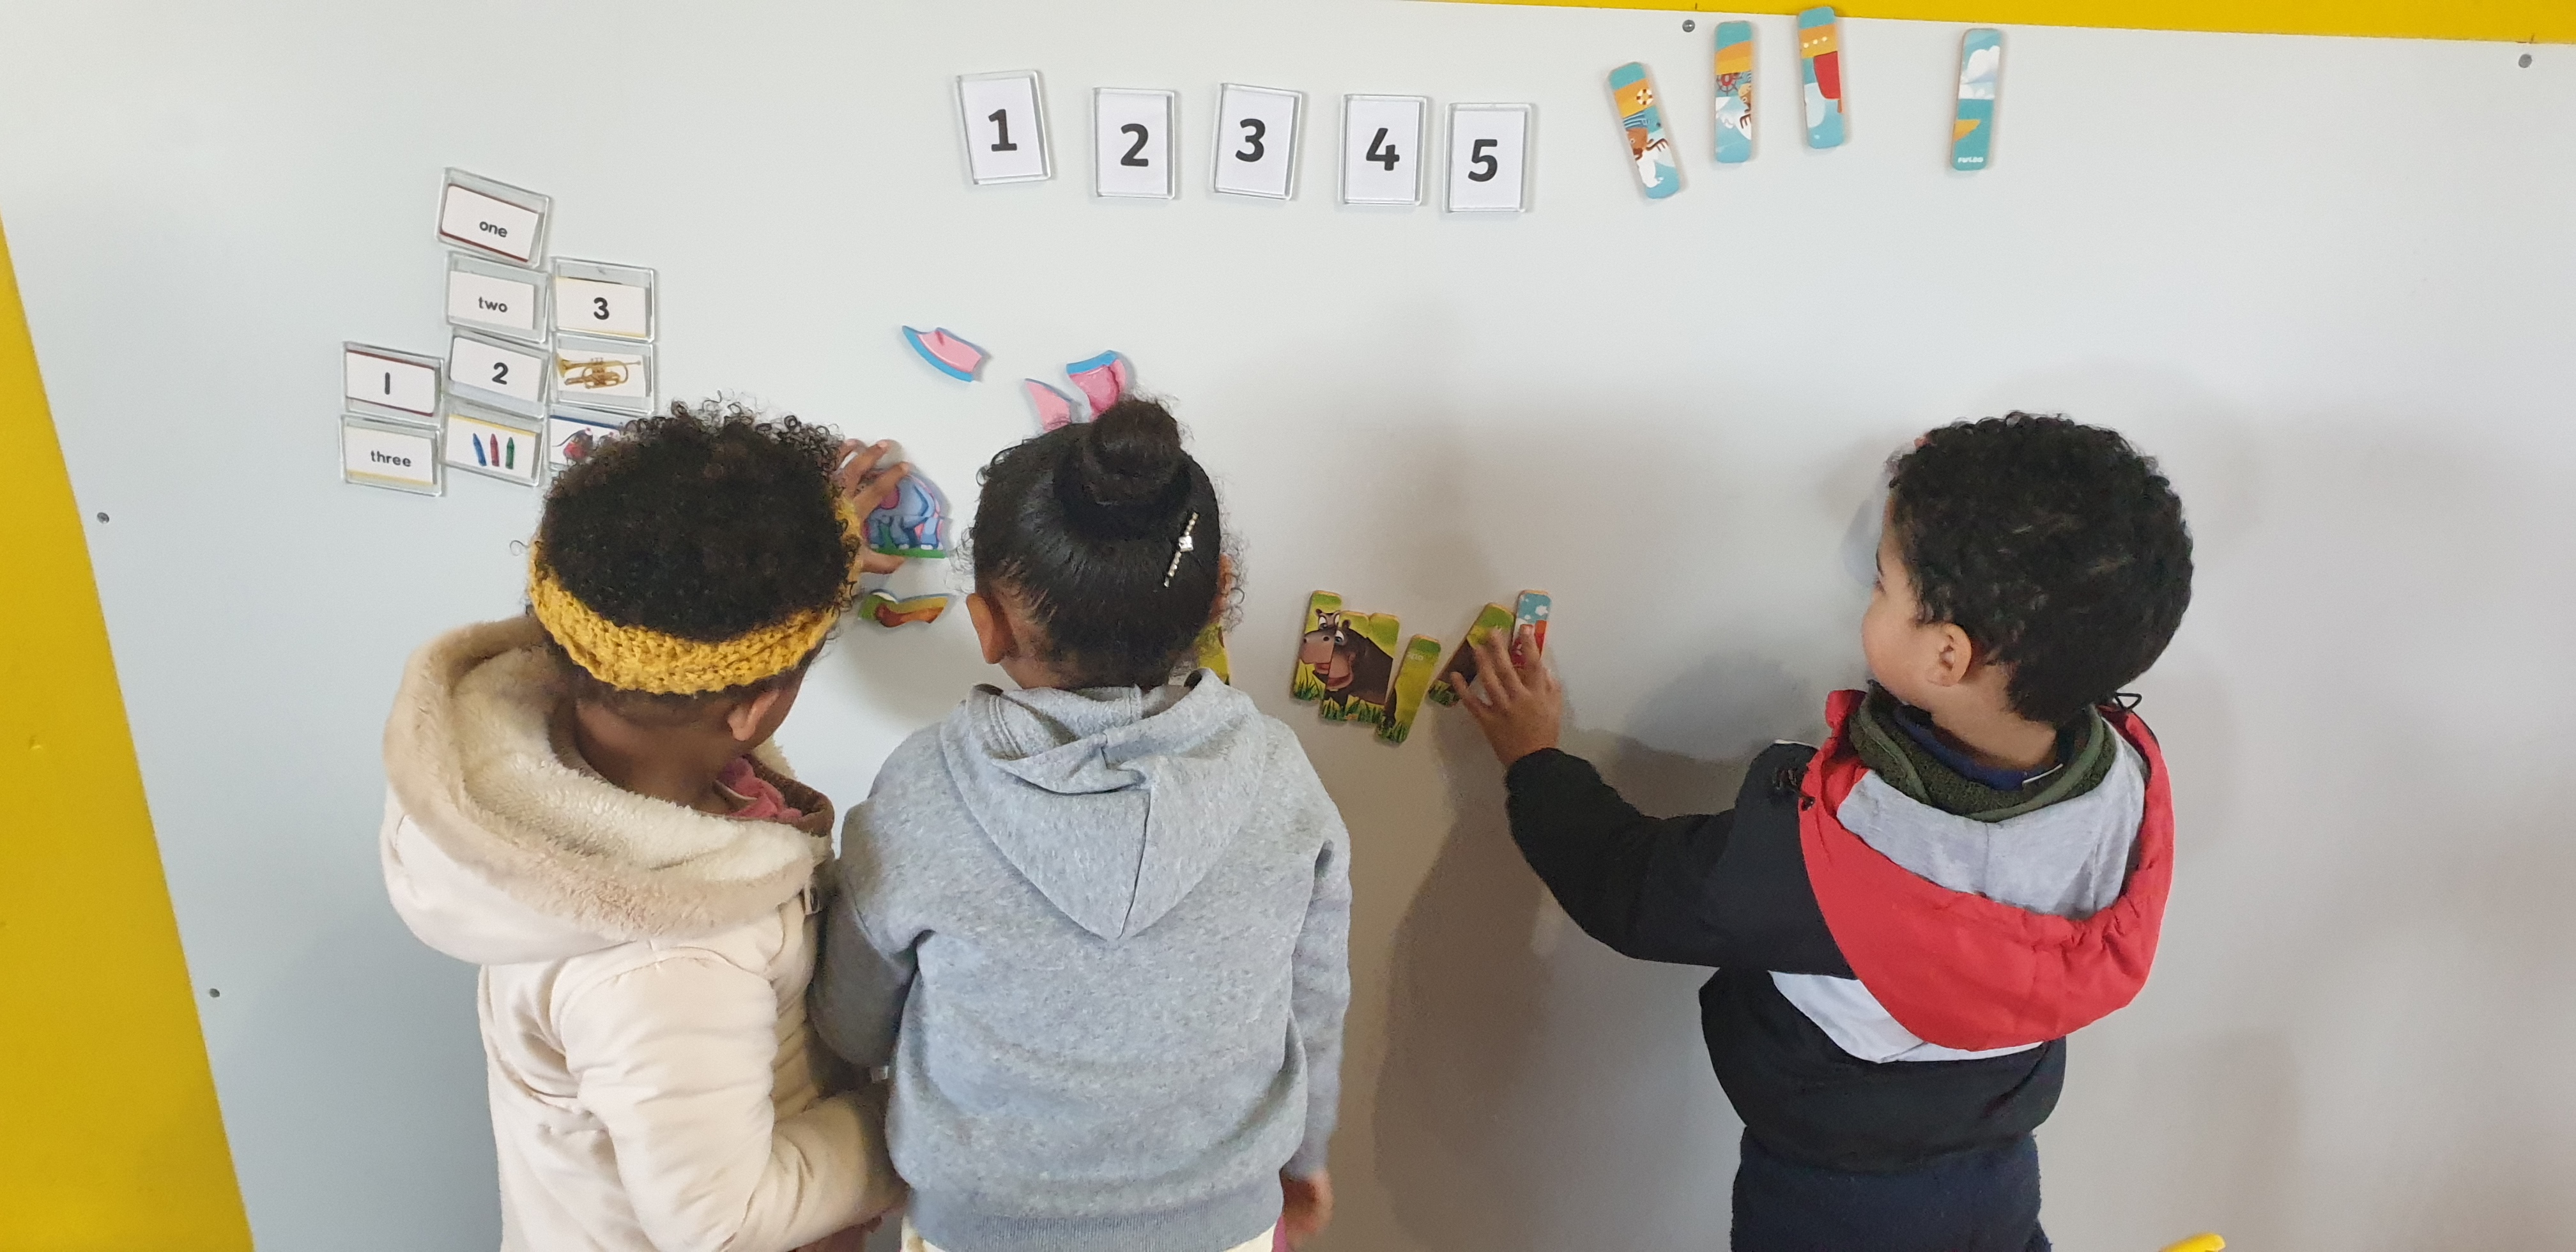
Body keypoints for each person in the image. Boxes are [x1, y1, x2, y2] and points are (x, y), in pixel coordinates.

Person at [1455, 413, 2193, 1252]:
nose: (1870, 589)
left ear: (1949, 658)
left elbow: (1631, 889)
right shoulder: (2124, 785)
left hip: (1831, 1196)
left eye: (1884, 582)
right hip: (1994, 1166)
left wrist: (1534, 760)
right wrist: (1935, 502)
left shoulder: (1834, 862)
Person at [812, 397, 1352, 1252]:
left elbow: (850, 1023)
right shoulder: (1284, 782)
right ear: (1219, 598)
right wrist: (1308, 1154)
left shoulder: (924, 790)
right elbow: (1316, 1003)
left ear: (986, 624)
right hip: (1223, 1225)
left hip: (980, 1229)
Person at [379, 401, 911, 1251]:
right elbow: (721, 1222)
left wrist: (811, 557)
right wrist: (925, 1113)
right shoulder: (669, 964)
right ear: (757, 708)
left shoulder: (555, 770)